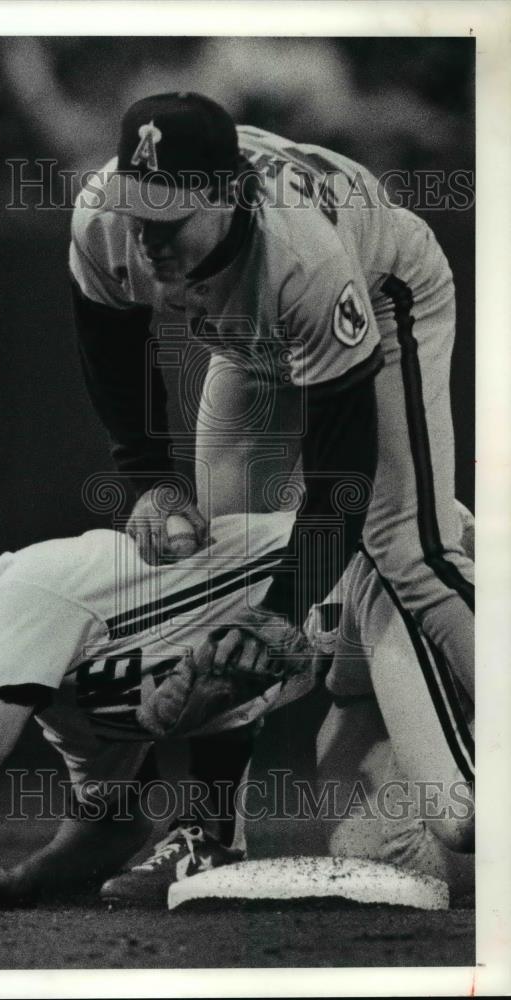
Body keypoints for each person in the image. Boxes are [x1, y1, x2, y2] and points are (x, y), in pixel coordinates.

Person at [69, 91, 474, 891]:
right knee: (216, 571)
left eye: (170, 215)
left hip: (385, 298)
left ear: (231, 193)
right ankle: (209, 832)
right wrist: (148, 482)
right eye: (137, 206)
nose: (146, 237)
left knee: (408, 544)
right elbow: (107, 344)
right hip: (251, 343)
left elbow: (341, 477)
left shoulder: (304, 256)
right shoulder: (99, 217)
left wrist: (280, 614)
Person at [0, 512, 473, 914]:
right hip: (351, 658)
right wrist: (19, 883)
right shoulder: (64, 705)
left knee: (462, 812)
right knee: (404, 874)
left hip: (391, 569)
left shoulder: (20, 594)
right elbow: (114, 826)